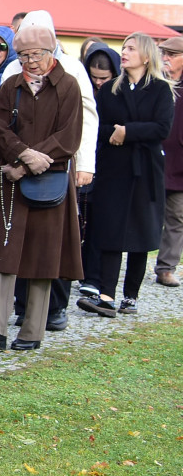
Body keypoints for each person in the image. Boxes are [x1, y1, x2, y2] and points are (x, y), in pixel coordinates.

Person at [0, 24, 83, 351]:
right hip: (11, 182)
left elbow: (68, 137)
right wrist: (22, 156)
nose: (30, 61)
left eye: (36, 55)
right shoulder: (11, 86)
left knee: (43, 257)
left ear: (51, 53)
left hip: (50, 181)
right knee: (5, 254)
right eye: (23, 55)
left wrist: (28, 163)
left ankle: (32, 331)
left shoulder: (68, 87)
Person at [78, 33, 173, 317]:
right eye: (124, 48)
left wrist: (127, 132)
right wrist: (117, 133)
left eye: (131, 48)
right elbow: (100, 127)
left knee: (140, 231)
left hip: (145, 169)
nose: (125, 53)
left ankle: (130, 295)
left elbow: (161, 128)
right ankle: (106, 295)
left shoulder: (161, 89)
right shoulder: (110, 90)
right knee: (111, 228)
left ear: (146, 55)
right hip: (114, 168)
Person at [76, 42, 121, 297]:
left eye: (104, 78)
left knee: (97, 225)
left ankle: (92, 276)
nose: (99, 82)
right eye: (94, 77)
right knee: (81, 219)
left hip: (106, 165)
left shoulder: (118, 92)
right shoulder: (82, 87)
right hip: (84, 161)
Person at [155, 36, 183, 288]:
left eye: (172, 55)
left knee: (176, 217)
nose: (165, 59)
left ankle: (166, 267)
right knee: (141, 213)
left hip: (179, 163)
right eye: (164, 53)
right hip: (151, 156)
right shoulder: (154, 82)